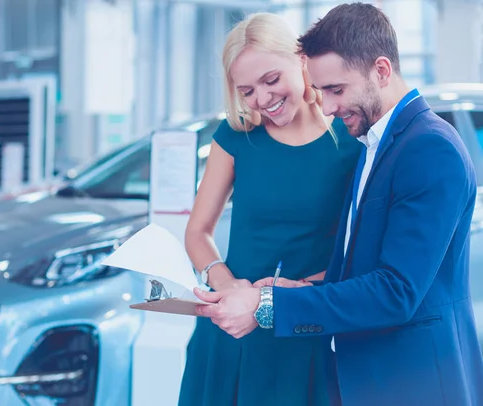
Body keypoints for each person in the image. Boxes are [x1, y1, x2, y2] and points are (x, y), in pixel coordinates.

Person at [195, 3, 483, 406]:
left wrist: (267, 303)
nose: (327, 106)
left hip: (412, 379)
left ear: (381, 71)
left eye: (336, 90)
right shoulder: (374, 144)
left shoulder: (430, 148)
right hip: (365, 373)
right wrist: (300, 286)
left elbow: (395, 291)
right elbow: (359, 264)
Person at [179, 12, 361, 406]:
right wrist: (229, 290)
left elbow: (357, 255)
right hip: (229, 335)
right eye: (246, 91)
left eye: (271, 80)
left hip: (305, 334)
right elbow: (197, 232)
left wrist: (274, 301)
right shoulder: (236, 136)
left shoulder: (350, 142)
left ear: (300, 59)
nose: (262, 99)